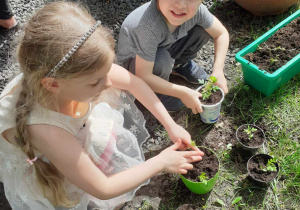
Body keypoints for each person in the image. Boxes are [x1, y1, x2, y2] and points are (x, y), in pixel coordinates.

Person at [0, 1, 204, 210]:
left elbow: (134, 82)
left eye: (106, 73)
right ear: (53, 84)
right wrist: (160, 162)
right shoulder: (48, 132)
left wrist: (171, 125)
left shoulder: (70, 75)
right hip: (49, 155)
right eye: (96, 81)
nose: (108, 84)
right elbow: (103, 188)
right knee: (75, 186)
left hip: (64, 133)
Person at [117, 0, 229, 113]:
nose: (181, 5)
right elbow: (144, 76)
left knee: (202, 30)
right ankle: (160, 96)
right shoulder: (147, 26)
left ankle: (178, 65)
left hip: (163, 47)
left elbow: (221, 33)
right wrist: (182, 92)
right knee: (162, 59)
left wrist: (218, 70)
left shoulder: (197, 12)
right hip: (134, 69)